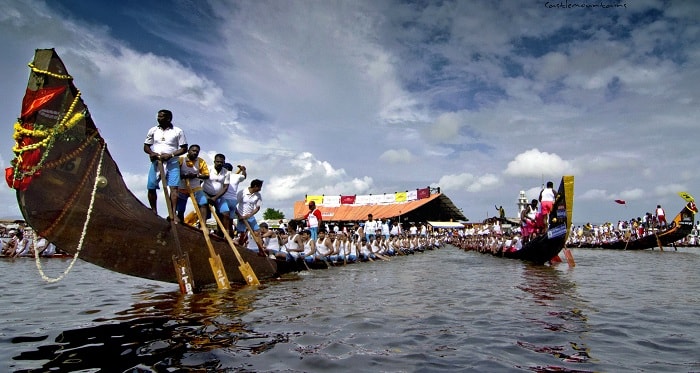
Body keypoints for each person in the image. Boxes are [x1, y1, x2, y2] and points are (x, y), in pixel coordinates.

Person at [144, 109, 188, 218]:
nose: (158, 118)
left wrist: (171, 155)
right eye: (158, 116)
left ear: (169, 118)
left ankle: (172, 213)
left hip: (172, 162)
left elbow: (184, 149)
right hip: (156, 162)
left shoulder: (178, 131)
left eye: (161, 117)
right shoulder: (153, 130)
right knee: (151, 186)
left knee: (174, 188)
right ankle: (154, 211)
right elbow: (146, 146)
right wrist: (151, 153)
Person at [175, 145, 210, 224]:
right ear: (188, 151)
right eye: (193, 151)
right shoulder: (181, 160)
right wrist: (183, 176)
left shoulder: (201, 161)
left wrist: (195, 175)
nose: (195, 153)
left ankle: (203, 224)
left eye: (197, 152)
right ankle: (180, 223)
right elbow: (175, 173)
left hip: (195, 187)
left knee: (203, 203)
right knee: (181, 209)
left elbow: (206, 175)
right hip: (182, 187)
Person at [202, 154, 230, 235]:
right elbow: (200, 180)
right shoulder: (208, 169)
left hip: (218, 195)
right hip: (206, 193)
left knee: (225, 213)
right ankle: (203, 226)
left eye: (221, 162)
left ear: (224, 162)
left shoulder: (226, 173)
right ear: (214, 161)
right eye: (217, 162)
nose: (219, 163)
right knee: (204, 206)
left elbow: (225, 187)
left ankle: (224, 233)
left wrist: (215, 198)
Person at [235, 179, 264, 255]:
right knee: (242, 234)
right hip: (241, 215)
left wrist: (250, 215)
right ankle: (240, 248)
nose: (260, 189)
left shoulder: (258, 195)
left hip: (250, 216)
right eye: (259, 187)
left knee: (257, 232)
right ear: (255, 186)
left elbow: (257, 208)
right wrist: (239, 216)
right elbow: (234, 205)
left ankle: (261, 250)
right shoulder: (242, 192)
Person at [221, 163, 247, 236]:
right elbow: (244, 176)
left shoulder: (222, 176)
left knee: (223, 220)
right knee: (230, 222)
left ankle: (225, 236)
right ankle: (231, 236)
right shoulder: (236, 176)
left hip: (224, 199)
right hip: (233, 201)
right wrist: (243, 170)